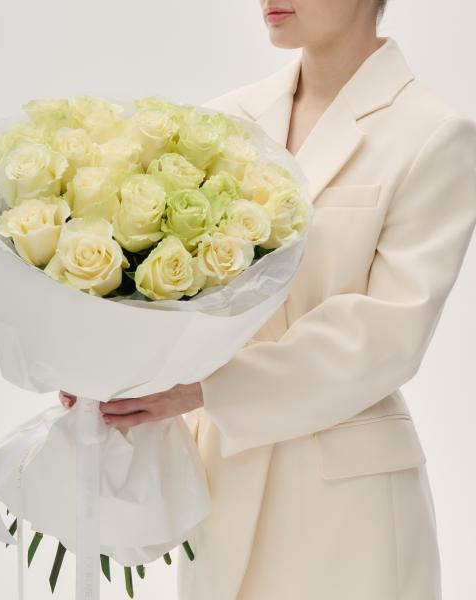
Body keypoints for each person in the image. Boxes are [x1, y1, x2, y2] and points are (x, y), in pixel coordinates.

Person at [60, 1, 476, 598]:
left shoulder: (431, 133)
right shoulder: (224, 122)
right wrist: (119, 371)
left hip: (348, 502)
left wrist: (206, 387)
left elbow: (387, 337)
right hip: (222, 484)